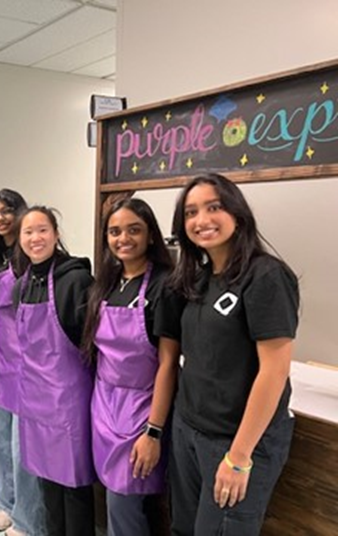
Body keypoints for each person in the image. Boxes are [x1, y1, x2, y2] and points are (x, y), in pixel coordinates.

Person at [160, 173, 299, 535]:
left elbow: (274, 370)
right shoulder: (199, 279)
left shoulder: (265, 276)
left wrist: (238, 458)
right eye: (191, 212)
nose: (201, 220)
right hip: (189, 429)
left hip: (236, 441)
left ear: (237, 213)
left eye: (214, 207)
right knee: (183, 529)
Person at [81, 198, 180, 536]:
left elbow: (168, 364)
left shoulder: (164, 285)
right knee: (113, 496)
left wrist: (153, 431)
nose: (123, 238)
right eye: (115, 231)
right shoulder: (107, 284)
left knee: (123, 500)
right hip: (104, 404)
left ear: (151, 235)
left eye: (134, 230)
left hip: (142, 406)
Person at [15, 206, 96, 536]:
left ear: (56, 234)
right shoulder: (23, 284)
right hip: (34, 402)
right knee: (46, 480)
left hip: (68, 401)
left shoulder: (76, 279)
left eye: (42, 230)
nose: (35, 238)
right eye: (28, 232)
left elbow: (92, 344)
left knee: (73, 485)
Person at [0, 190, 46, 536]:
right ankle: (5, 503)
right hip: (0, 361)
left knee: (25, 450)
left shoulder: (34, 255)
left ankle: (27, 518)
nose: (1, 218)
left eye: (8, 211)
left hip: (30, 362)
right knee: (0, 441)